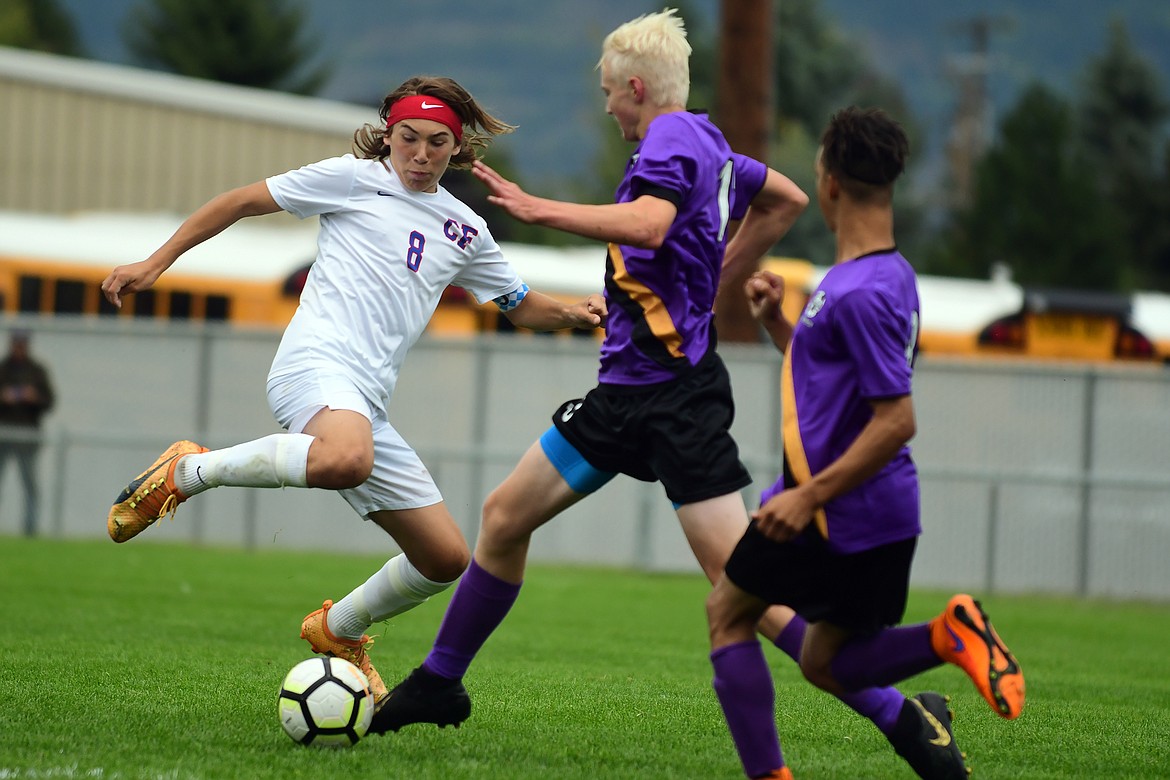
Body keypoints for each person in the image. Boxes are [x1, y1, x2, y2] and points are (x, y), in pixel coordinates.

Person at [370, 18, 975, 779]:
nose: (607, 113)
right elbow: (783, 199)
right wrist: (716, 277)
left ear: (634, 88)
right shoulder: (707, 142)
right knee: (504, 516)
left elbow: (652, 224)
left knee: (739, 591)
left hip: (675, 400)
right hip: (624, 395)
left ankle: (902, 713)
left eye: (608, 97)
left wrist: (537, 209)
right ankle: (440, 682)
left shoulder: (669, 141)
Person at [100, 75, 605, 710]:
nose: (420, 154)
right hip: (312, 367)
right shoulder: (350, 177)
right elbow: (238, 201)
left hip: (364, 404)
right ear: (389, 136)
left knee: (445, 558)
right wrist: (155, 262)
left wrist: (579, 314)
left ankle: (336, 631)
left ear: (458, 148)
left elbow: (522, 307)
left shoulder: (465, 229)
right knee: (346, 458)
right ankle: (189, 470)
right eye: (408, 138)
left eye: (436, 142)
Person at [705, 106, 1026, 780]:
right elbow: (838, 390)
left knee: (729, 613)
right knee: (826, 663)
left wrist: (808, 497)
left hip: (835, 512)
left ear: (829, 184)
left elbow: (895, 419)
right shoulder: (881, 277)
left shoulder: (861, 292)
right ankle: (948, 636)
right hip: (869, 512)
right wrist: (780, 327)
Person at [0, 329, 55, 535]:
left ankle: (30, 531)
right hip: (3, 433)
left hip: (28, 435)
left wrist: (34, 397)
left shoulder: (36, 371)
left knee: (30, 486)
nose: (19, 348)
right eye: (16, 344)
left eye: (22, 344)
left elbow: (49, 401)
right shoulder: (3, 369)